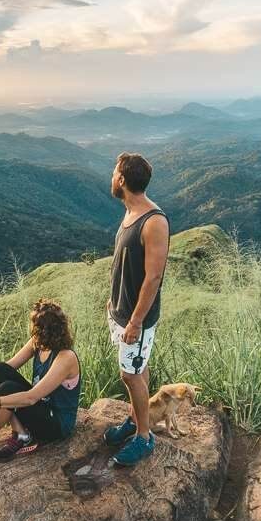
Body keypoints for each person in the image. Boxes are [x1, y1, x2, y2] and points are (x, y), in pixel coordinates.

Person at [0, 298, 82, 473]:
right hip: (40, 407)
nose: (34, 331)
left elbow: (31, 398)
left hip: (56, 423)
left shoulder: (65, 357)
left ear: (45, 330)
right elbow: (9, 366)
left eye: (36, 327)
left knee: (7, 389)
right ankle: (21, 433)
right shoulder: (38, 343)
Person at [102, 152, 170, 467]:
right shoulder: (130, 212)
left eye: (115, 173)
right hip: (122, 311)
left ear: (124, 180)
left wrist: (135, 322)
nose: (112, 177)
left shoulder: (153, 221)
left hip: (135, 319)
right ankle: (134, 418)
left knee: (129, 375)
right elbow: (125, 265)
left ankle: (144, 437)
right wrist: (113, 302)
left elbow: (154, 276)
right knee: (138, 370)